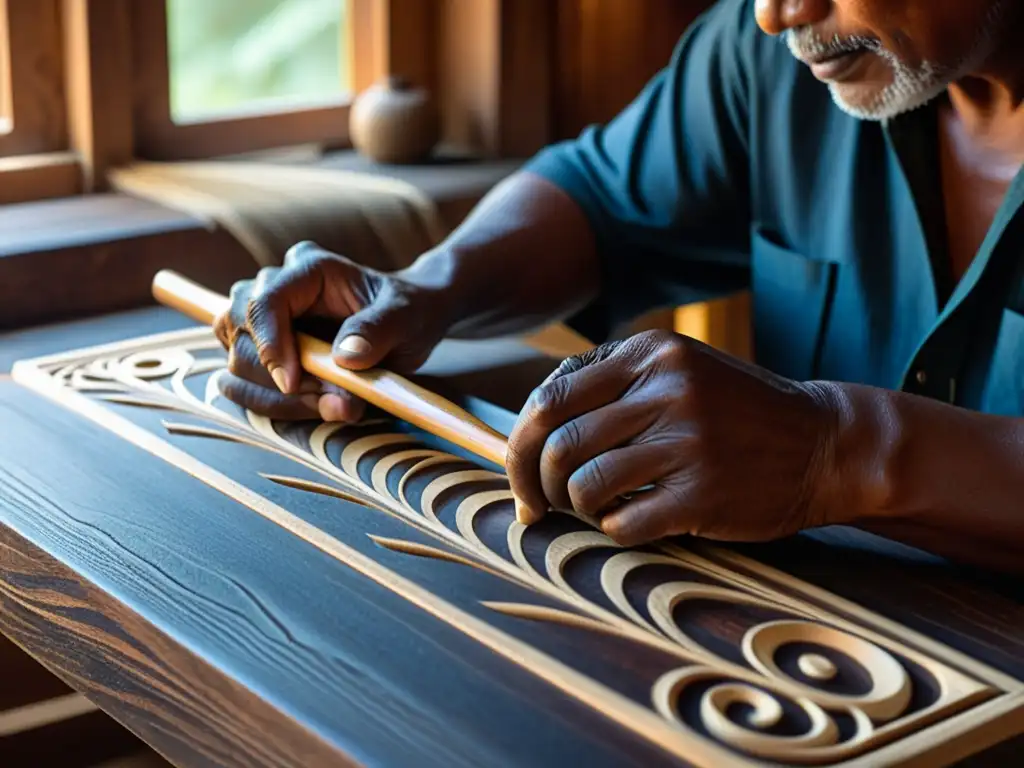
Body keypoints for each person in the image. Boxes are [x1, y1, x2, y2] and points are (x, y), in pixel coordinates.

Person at [212, 0, 1024, 575]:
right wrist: (423, 292)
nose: (775, 14)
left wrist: (838, 448)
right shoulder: (775, 63)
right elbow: (601, 200)